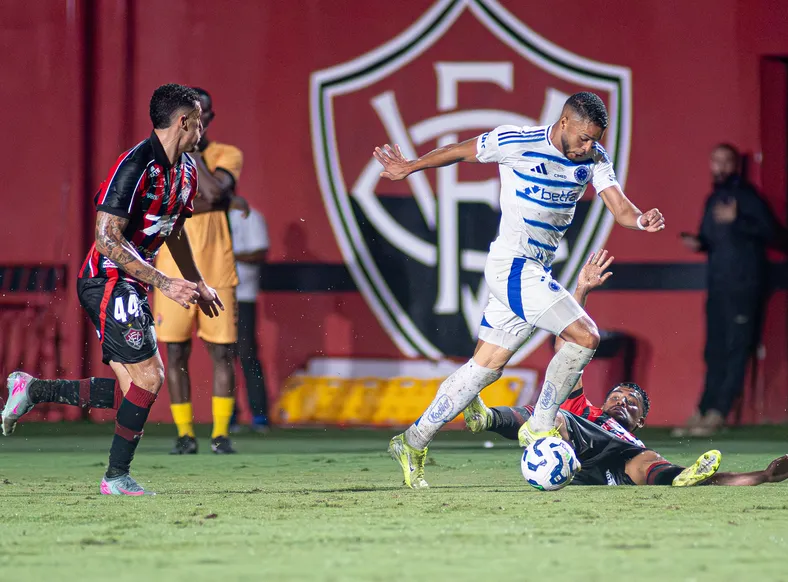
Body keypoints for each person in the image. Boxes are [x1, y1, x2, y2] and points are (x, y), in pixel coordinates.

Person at [374, 92, 665, 489]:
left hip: (532, 270)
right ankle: (541, 426)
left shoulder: (595, 158)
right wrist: (411, 167)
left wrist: (641, 219)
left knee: (485, 369)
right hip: (512, 265)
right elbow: (460, 150)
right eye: (583, 138)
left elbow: (618, 206)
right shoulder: (518, 142)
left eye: (594, 139)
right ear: (564, 123)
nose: (588, 147)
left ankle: (412, 441)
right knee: (585, 335)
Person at [2, 84, 224, 495]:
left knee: (134, 393)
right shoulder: (134, 165)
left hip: (133, 281)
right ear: (184, 122)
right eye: (200, 120)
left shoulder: (188, 171)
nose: (204, 127)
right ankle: (115, 478)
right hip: (106, 279)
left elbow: (172, 232)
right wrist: (165, 283)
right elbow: (106, 239)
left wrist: (196, 282)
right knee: (152, 377)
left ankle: (31, 389)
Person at [463, 253, 788, 487]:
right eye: (618, 396)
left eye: (632, 403)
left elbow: (717, 479)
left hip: (610, 472)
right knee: (554, 415)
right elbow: (566, 350)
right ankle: (488, 418)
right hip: (570, 453)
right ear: (603, 404)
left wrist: (764, 476)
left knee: (647, 461)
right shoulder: (584, 411)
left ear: (641, 421)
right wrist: (581, 292)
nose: (623, 401)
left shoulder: (631, 442)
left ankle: (679, 478)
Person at [153, 87, 249, 455]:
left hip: (216, 266)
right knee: (175, 352)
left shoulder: (226, 154)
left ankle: (221, 434)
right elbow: (194, 199)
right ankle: (184, 434)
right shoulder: (160, 156)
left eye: (204, 113)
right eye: (192, 114)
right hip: (172, 268)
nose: (199, 120)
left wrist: (191, 153)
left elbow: (217, 195)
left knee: (222, 351)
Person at [677, 144, 777, 436]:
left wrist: (740, 221)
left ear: (736, 165)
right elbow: (712, 239)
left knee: (735, 349)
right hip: (718, 286)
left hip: (744, 287)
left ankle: (719, 413)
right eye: (716, 162)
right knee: (714, 350)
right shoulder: (713, 199)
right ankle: (703, 410)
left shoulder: (748, 197)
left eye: (726, 162)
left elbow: (774, 233)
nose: (720, 167)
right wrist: (699, 243)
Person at [228, 206, 271, 432]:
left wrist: (225, 255)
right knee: (222, 355)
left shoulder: (249, 215)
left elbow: (259, 253)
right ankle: (228, 415)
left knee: (246, 353)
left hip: (243, 295)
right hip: (214, 294)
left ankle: (260, 415)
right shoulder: (205, 217)